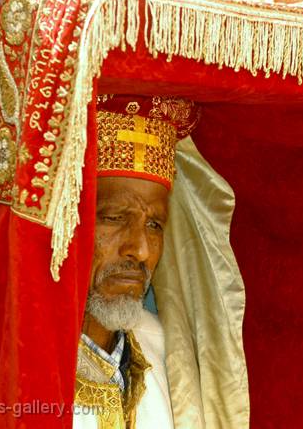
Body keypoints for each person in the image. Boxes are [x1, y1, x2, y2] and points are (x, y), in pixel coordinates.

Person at [73, 94, 199, 429]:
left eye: (154, 225)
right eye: (115, 218)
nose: (140, 250)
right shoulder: (23, 353)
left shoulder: (164, 347)